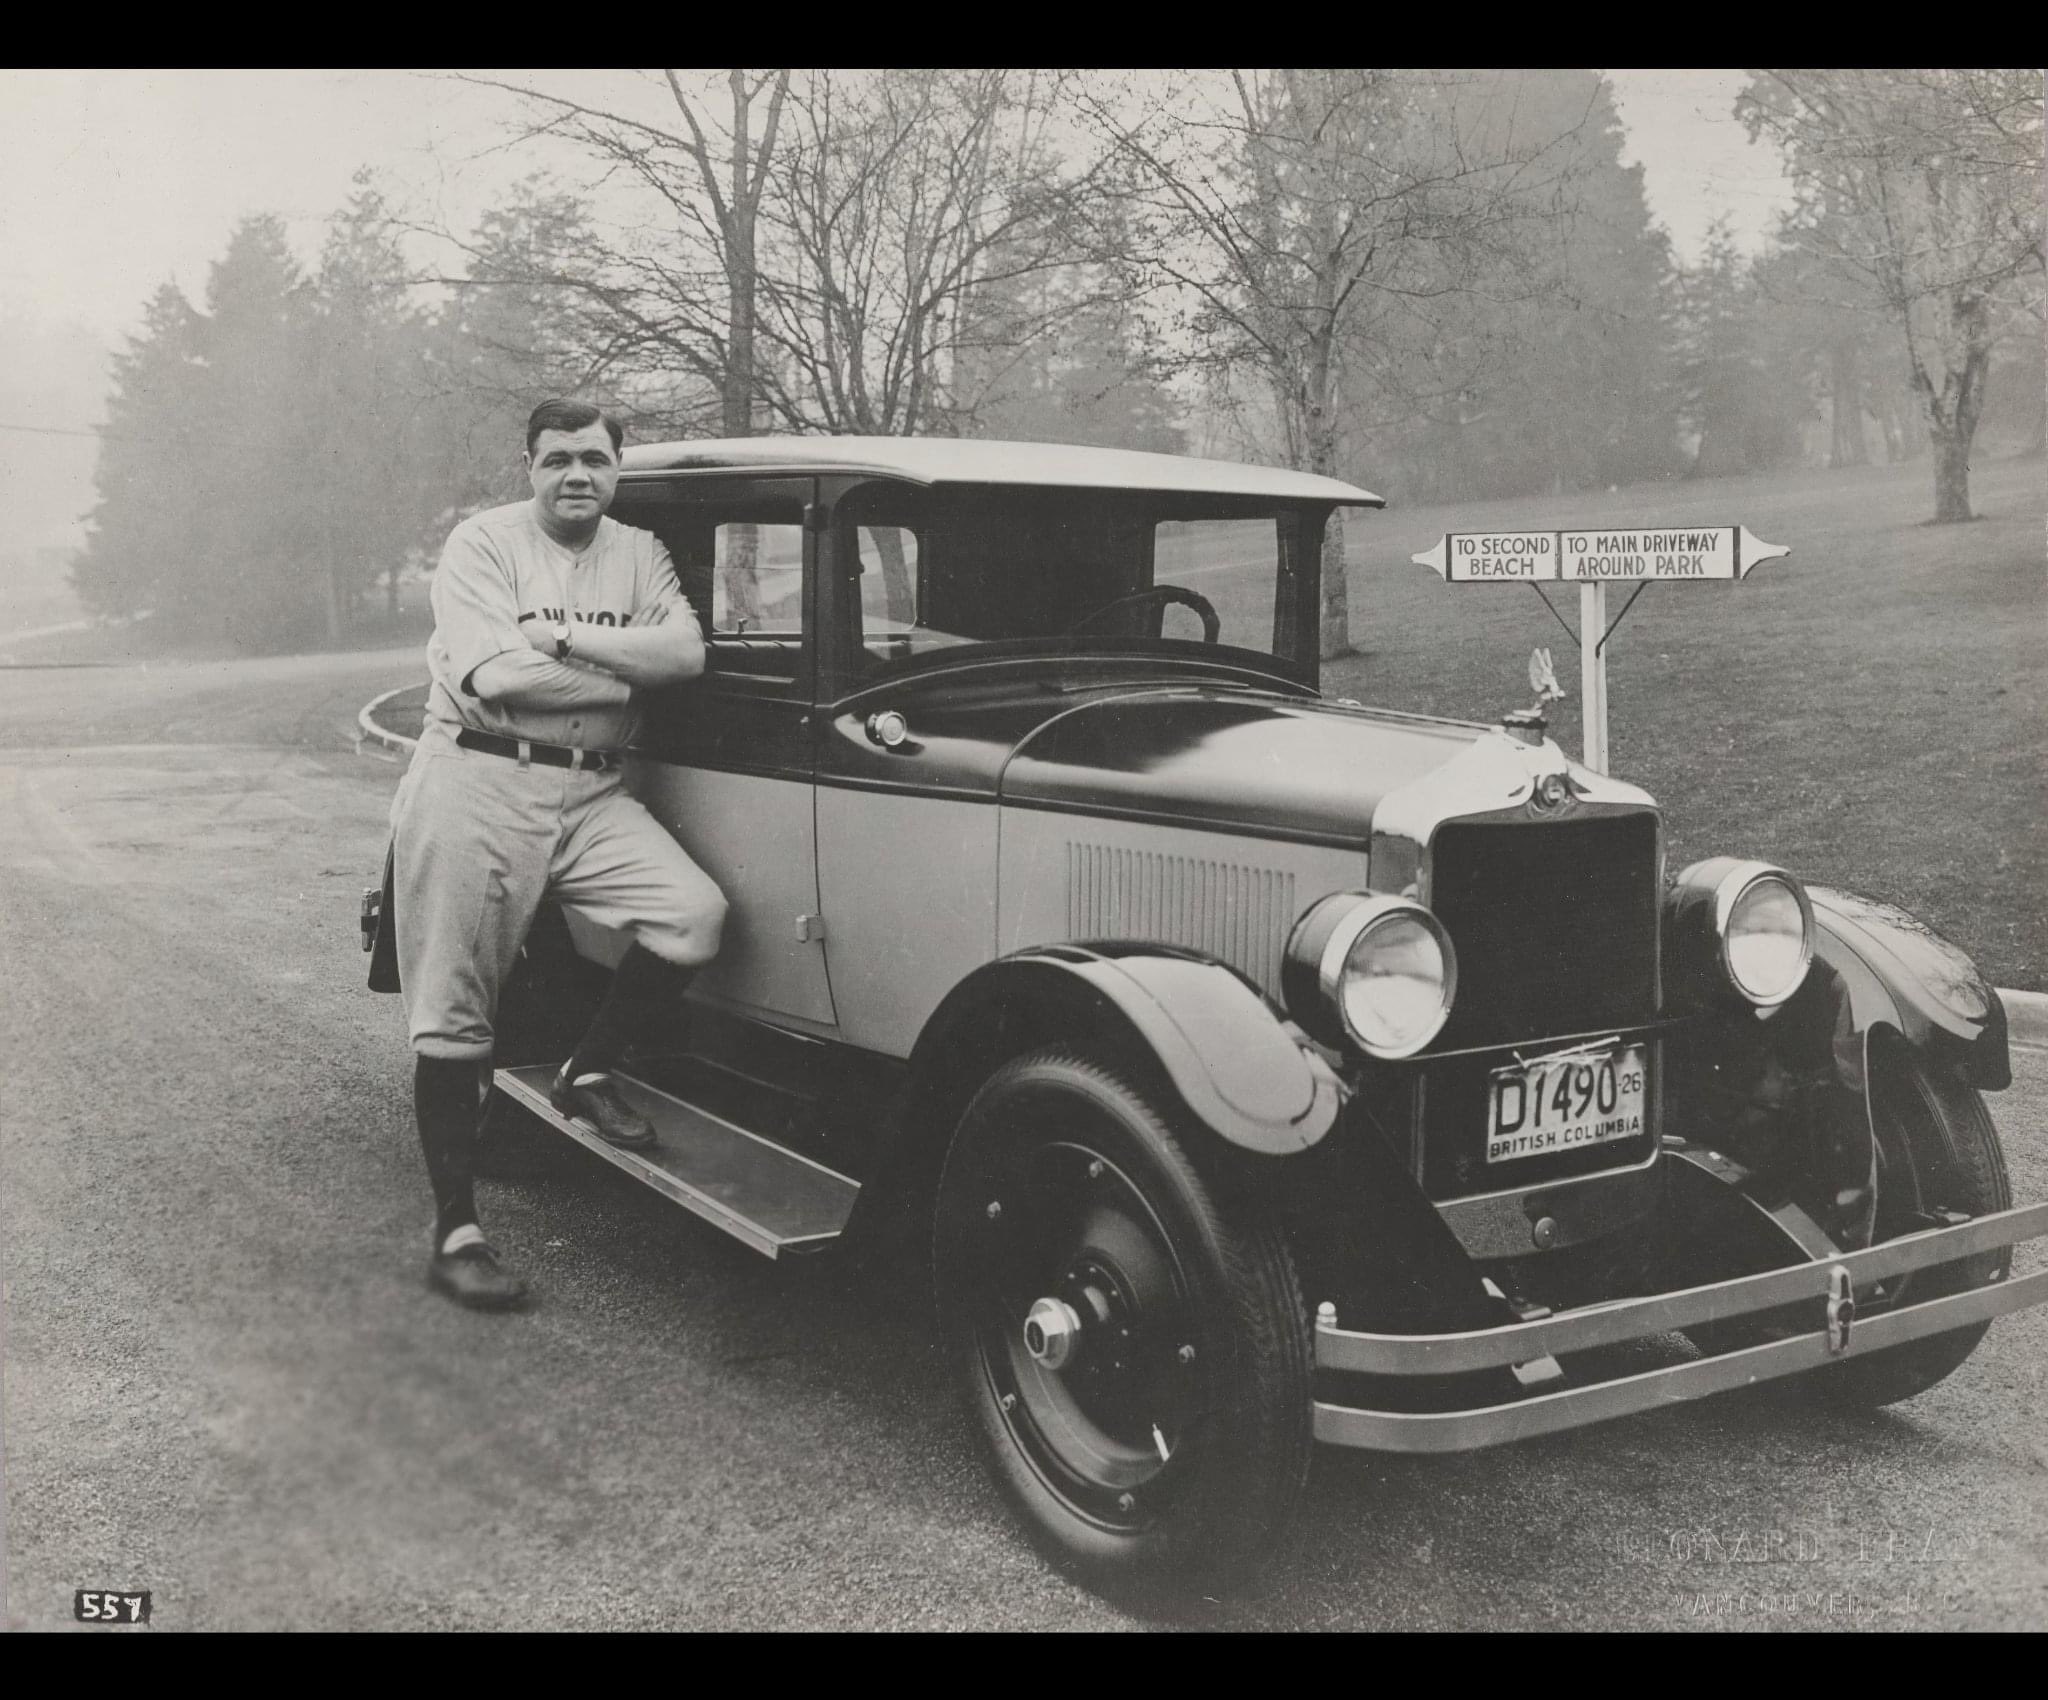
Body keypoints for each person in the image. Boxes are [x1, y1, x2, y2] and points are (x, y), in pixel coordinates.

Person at [390, 398, 727, 1310]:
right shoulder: (483, 544)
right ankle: (456, 1232)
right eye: (557, 460)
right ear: (529, 467)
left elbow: (687, 654)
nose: (577, 474)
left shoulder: (638, 551)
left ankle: (585, 1071)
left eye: (594, 459)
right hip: (476, 782)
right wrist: (629, 665)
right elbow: (495, 676)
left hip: (591, 788)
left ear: (618, 467)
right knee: (456, 1013)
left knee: (693, 918)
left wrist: (566, 638)